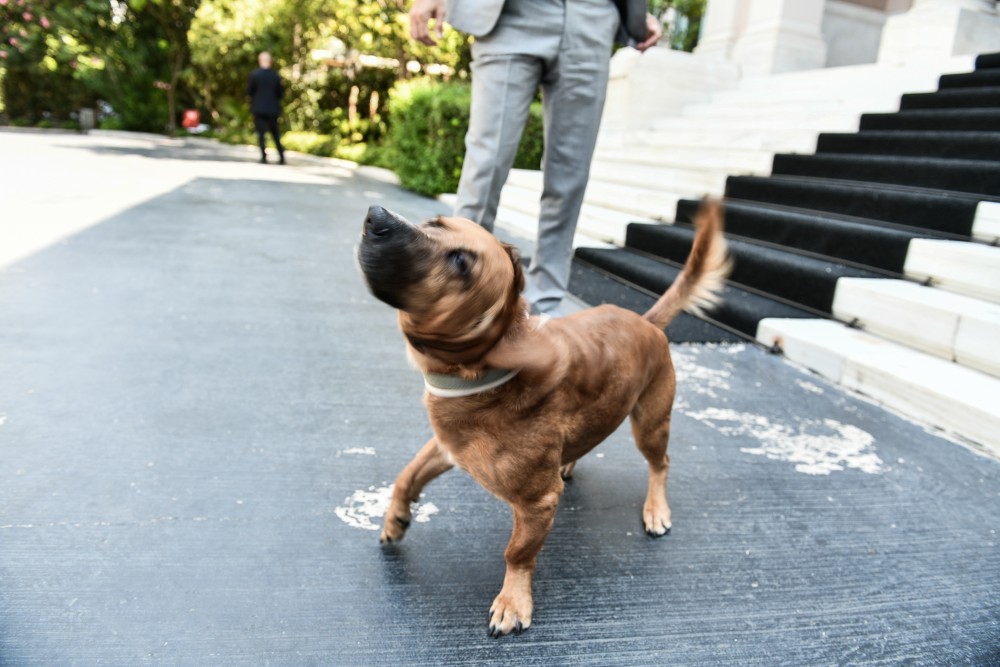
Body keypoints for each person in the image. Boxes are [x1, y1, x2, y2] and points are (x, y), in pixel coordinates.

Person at [409, 0, 661, 315]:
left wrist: (634, 12)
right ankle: (458, 292)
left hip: (591, 17)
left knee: (570, 173)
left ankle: (545, 305)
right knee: (486, 163)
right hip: (511, 15)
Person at [246, 51, 285, 165]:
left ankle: (264, 156)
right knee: (275, 133)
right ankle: (281, 155)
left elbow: (249, 92)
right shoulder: (275, 75)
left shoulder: (254, 75)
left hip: (258, 108)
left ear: (259, 61)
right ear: (270, 62)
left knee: (261, 134)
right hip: (272, 109)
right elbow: (280, 94)